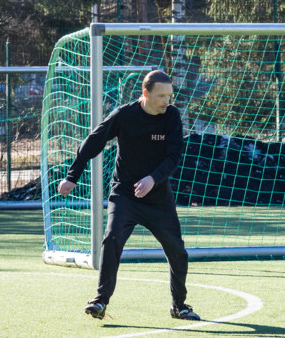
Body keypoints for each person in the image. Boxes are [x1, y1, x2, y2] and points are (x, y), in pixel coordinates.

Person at [57, 70, 198, 322]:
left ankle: (179, 306)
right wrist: (72, 176)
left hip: (158, 199)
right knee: (111, 239)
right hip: (125, 195)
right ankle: (100, 301)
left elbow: (174, 156)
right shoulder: (124, 115)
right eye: (161, 95)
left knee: (178, 251)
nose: (167, 101)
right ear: (145, 93)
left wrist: (152, 178)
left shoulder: (172, 117)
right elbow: (93, 142)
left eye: (170, 95)